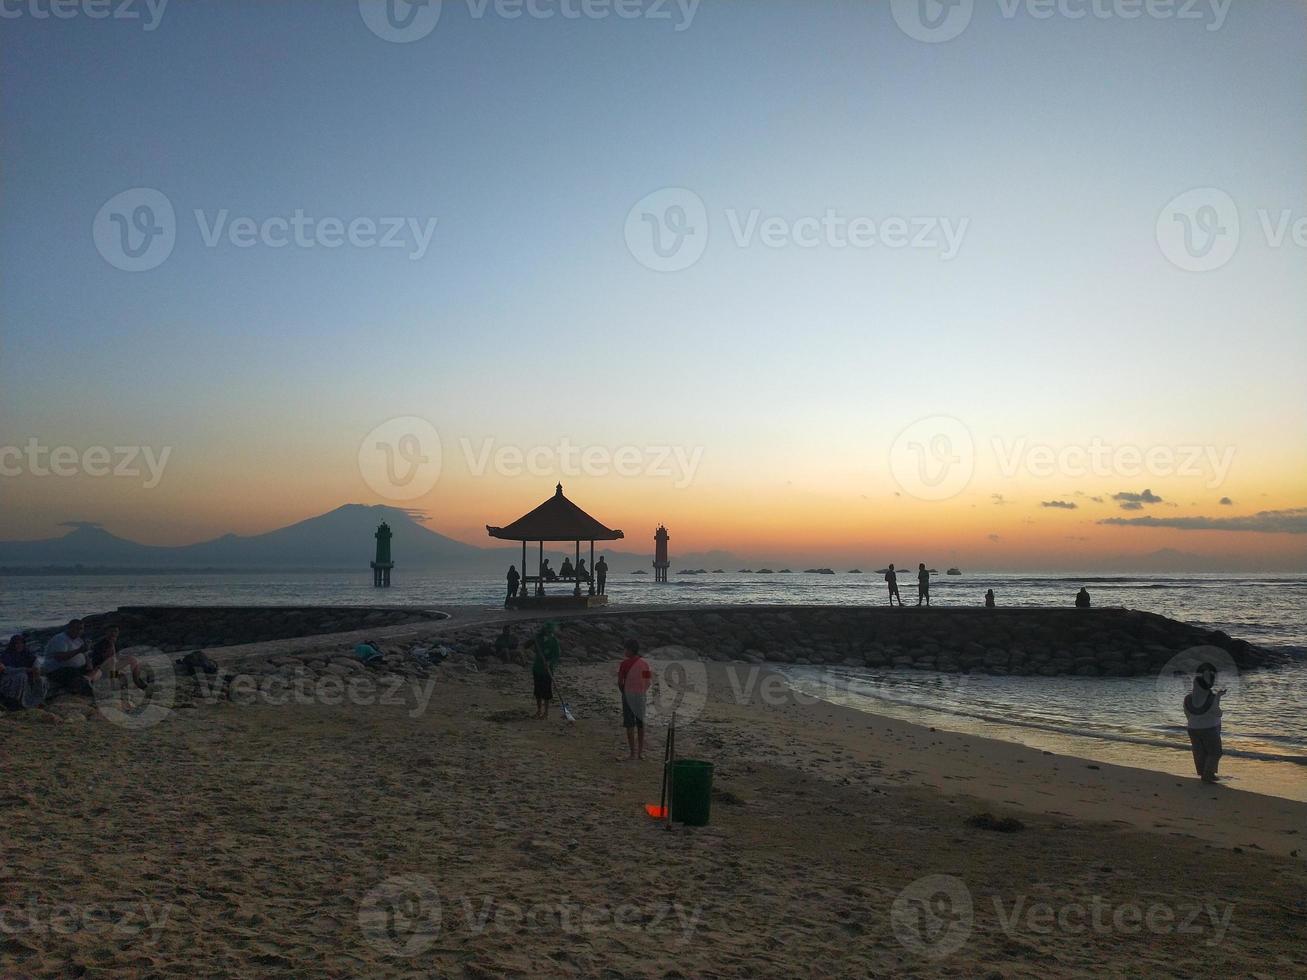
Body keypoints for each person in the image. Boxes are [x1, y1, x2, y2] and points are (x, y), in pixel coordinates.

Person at [1184, 662, 1225, 784]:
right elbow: (1217, 713)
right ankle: (1208, 775)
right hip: (1209, 728)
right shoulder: (1211, 698)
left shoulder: (1188, 698)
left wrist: (1195, 721)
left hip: (1192, 728)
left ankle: (1204, 773)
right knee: (1215, 752)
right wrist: (1218, 696)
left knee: (1200, 752)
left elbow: (1187, 714)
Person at [617, 638, 651, 761]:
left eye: (625, 649)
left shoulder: (624, 664)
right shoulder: (645, 664)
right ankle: (640, 752)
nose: (624, 651)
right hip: (641, 695)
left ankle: (632, 752)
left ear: (630, 650)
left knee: (629, 724)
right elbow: (648, 682)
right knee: (640, 724)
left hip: (628, 695)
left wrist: (624, 692)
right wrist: (642, 691)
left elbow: (620, 682)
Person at [86, 625, 150, 691]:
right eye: (111, 631)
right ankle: (113, 684)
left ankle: (137, 680)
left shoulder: (116, 643)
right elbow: (101, 660)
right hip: (102, 669)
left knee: (132, 659)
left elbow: (118, 656)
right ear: (106, 632)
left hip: (113, 668)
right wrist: (111, 648)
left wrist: (125, 656)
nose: (113, 633)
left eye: (115, 631)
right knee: (112, 660)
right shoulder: (100, 644)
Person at [41, 619, 93, 695]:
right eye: (76, 628)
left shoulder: (79, 640)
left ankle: (88, 680)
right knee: (71, 672)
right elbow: (60, 657)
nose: (79, 631)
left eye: (81, 628)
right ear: (69, 628)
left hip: (77, 668)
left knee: (99, 666)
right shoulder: (60, 639)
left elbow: (85, 654)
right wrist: (78, 650)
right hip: (58, 670)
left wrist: (89, 664)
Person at [0, 635, 50, 711]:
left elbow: (35, 661)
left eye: (21, 643)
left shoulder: (27, 653)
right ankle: (18, 702)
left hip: (29, 676)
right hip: (9, 679)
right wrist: (25, 669)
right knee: (21, 676)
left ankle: (38, 701)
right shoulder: (6, 655)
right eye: (16, 643)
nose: (19, 645)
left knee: (42, 680)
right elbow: (7, 670)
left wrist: (36, 669)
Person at [531, 622, 561, 719]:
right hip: (537, 668)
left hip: (547, 671)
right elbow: (534, 648)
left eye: (548, 630)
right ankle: (539, 710)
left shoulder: (554, 641)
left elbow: (556, 656)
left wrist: (550, 662)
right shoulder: (539, 639)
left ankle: (546, 713)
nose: (547, 632)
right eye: (545, 630)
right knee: (538, 692)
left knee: (546, 692)